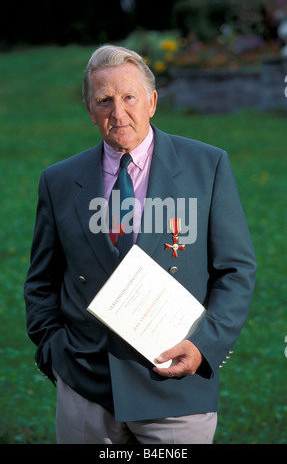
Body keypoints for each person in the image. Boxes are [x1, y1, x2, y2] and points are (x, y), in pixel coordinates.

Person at [24, 45, 256, 444]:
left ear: (151, 102)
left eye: (129, 97)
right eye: (104, 100)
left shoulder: (208, 166)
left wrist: (204, 347)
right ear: (89, 109)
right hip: (86, 385)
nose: (118, 112)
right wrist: (54, 352)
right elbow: (41, 281)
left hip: (174, 384)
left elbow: (237, 272)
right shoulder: (59, 181)